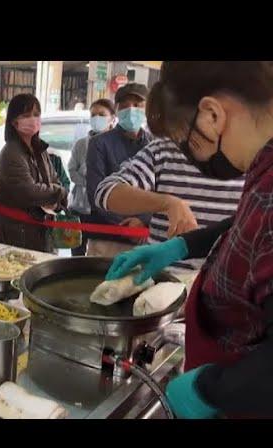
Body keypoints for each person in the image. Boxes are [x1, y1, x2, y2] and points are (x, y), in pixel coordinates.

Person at [105, 61, 273, 419]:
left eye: (191, 142)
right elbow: (247, 224)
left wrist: (211, 391)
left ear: (212, 114)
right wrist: (183, 245)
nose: (197, 160)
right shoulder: (265, 166)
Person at [94, 132, 244, 276]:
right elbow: (106, 192)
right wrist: (167, 202)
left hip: (223, 285)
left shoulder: (255, 160)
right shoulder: (164, 150)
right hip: (162, 282)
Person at [0, 94, 68, 253]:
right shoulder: (11, 152)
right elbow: (28, 192)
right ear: (14, 121)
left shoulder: (40, 149)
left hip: (40, 233)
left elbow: (55, 180)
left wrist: (55, 195)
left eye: (36, 115)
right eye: (26, 115)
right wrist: (58, 192)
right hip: (15, 235)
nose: (33, 120)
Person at [85, 83, 152, 257]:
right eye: (125, 105)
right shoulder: (99, 144)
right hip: (106, 240)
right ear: (116, 109)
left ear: (148, 108)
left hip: (144, 240)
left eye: (137, 105)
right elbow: (95, 193)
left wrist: (142, 221)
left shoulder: (155, 144)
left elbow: (163, 189)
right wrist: (125, 226)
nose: (131, 110)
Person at [68, 98, 116, 256]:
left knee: (101, 254)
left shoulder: (116, 144)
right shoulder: (81, 144)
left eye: (102, 114)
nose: (97, 118)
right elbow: (72, 170)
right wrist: (91, 185)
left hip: (106, 211)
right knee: (77, 253)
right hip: (80, 207)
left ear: (112, 119)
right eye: (93, 114)